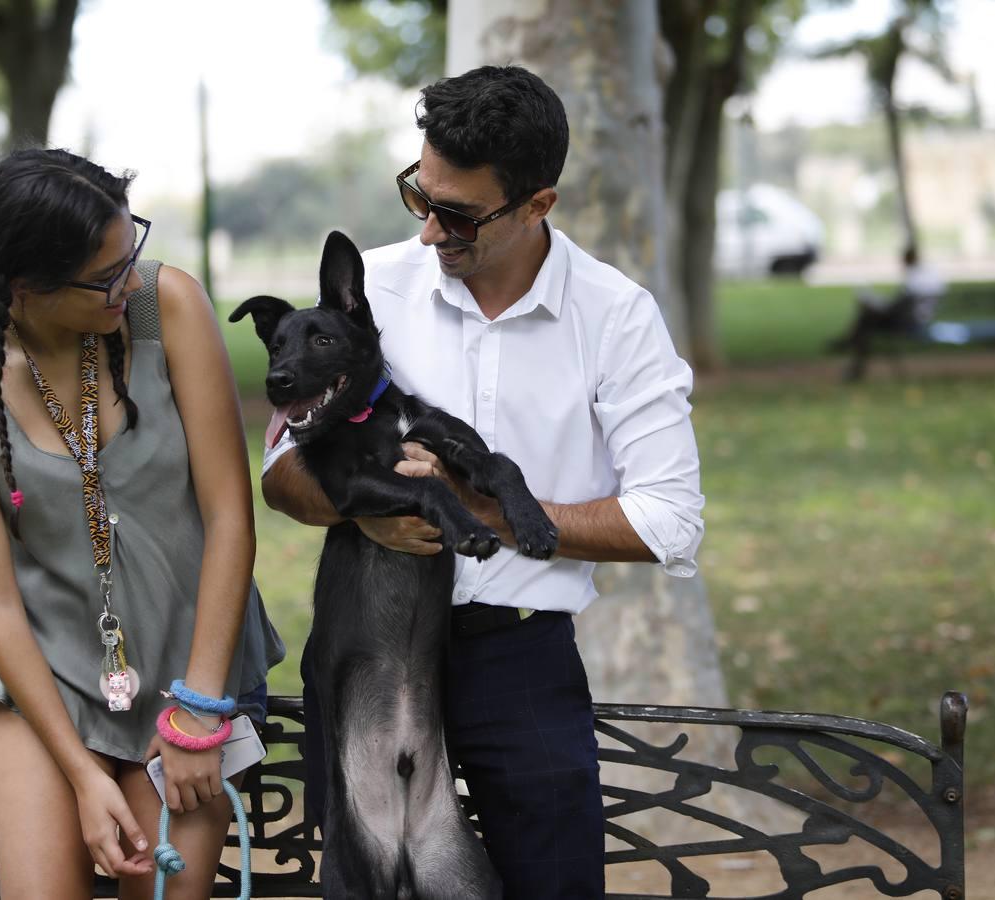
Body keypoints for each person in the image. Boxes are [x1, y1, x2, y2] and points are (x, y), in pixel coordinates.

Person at [260, 65, 705, 899]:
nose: (430, 231)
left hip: (519, 655)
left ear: (539, 203)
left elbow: (668, 520)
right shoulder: (370, 292)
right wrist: (367, 509)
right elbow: (282, 474)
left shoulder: (616, 316)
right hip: (365, 647)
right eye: (418, 197)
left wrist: (483, 511)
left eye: (458, 213)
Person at [0, 148, 284, 899]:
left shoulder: (167, 306)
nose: (131, 281)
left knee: (162, 892)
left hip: (193, 667)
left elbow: (229, 518)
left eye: (131, 250)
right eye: (107, 274)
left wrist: (200, 709)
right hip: (44, 685)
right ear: (27, 288)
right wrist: (82, 776)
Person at [829, 245, 946, 380]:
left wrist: (877, 305)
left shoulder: (916, 279)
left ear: (908, 260)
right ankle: (851, 347)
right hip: (911, 319)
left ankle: (852, 353)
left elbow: (898, 307)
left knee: (866, 320)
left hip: (909, 323)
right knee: (867, 320)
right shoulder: (927, 275)